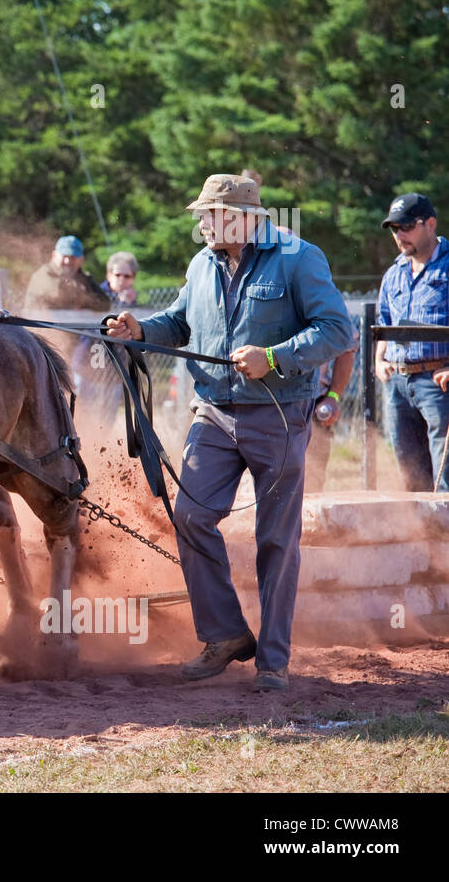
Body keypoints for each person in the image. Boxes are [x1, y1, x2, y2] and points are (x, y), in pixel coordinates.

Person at [106, 173, 351, 692]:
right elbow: (179, 322)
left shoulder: (299, 257)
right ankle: (226, 636)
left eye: (209, 215)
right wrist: (140, 331)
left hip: (281, 414)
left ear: (241, 218)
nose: (200, 223)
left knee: (275, 539)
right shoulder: (201, 265)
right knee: (192, 516)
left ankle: (274, 662)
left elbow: (337, 329)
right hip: (214, 412)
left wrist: (275, 358)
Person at [374, 193, 449, 492]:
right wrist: (379, 361)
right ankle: (422, 538)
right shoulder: (394, 274)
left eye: (406, 227)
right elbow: (385, 322)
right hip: (398, 385)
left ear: (429, 224)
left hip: (439, 383)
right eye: (394, 229)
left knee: (445, 480)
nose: (399, 235)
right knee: (411, 477)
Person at [303, 334, 357, 493]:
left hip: (314, 404)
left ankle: (308, 518)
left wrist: (332, 396)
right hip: (269, 406)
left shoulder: (327, 308)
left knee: (312, 481)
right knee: (270, 480)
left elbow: (347, 350)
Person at [24, 235, 112, 313]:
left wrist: (84, 298)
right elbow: (57, 295)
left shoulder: (86, 278)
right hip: (42, 330)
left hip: (77, 329)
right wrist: (83, 295)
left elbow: (105, 305)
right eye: (64, 256)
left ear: (81, 259)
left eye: (73, 257)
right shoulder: (43, 274)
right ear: (54, 255)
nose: (68, 261)